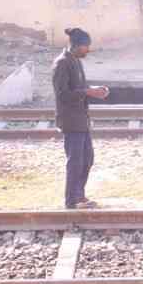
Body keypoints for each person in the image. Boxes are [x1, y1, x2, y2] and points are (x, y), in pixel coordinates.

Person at [52, 28, 109, 210]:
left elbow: (80, 86)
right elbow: (62, 94)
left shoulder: (75, 61)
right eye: (86, 47)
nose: (88, 50)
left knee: (87, 159)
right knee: (75, 161)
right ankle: (71, 201)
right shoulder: (62, 63)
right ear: (76, 46)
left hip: (81, 120)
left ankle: (80, 196)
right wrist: (86, 92)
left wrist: (95, 89)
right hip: (70, 120)